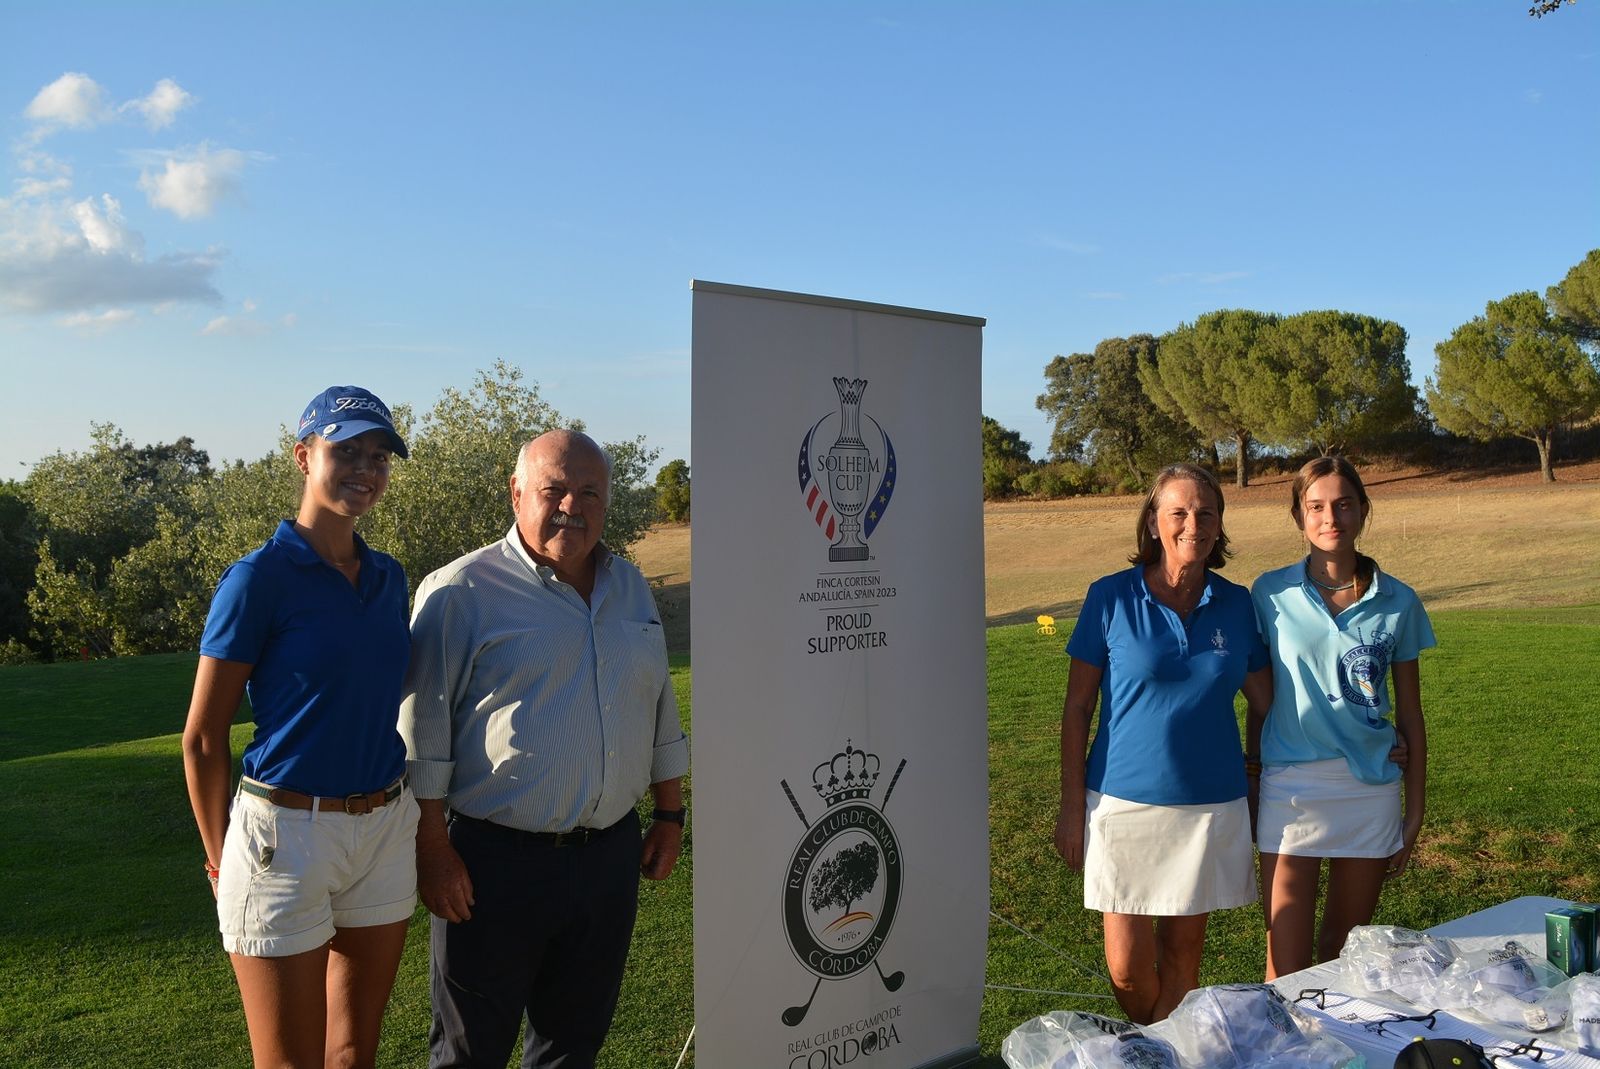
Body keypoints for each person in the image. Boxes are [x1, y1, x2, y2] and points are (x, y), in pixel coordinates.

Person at [399, 428, 689, 1069]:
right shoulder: (458, 593)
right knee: (470, 1051)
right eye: (554, 489)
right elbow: (421, 736)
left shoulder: (631, 587)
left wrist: (669, 814)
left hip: (609, 858)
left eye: (589, 492)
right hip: (492, 864)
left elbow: (658, 704)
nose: (571, 506)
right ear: (517, 493)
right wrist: (432, 847)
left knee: (572, 1047)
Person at [182, 386, 417, 1069]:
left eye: (379, 456)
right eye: (346, 450)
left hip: (381, 828)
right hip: (282, 838)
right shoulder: (257, 579)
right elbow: (202, 736)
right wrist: (219, 855)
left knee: (354, 1054)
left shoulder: (388, 577)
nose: (366, 469)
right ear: (303, 455)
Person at [1053, 463, 1272, 1024]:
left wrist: (1255, 774)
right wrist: (1072, 804)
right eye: (1178, 512)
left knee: (1182, 960)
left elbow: (1267, 702)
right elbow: (1078, 708)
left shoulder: (1236, 603)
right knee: (1126, 969)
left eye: (1205, 513)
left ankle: (1165, 1057)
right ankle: (1160, 1042)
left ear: (1219, 525)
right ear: (1153, 523)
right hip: (1122, 802)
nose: (1192, 524)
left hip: (1208, 805)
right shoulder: (1109, 597)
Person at [1251, 455, 1433, 979]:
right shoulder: (1269, 594)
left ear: (1362, 511)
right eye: (1316, 507)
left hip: (1371, 788)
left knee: (1340, 957)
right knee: (1285, 968)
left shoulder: (1399, 600)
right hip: (1290, 787)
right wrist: (1250, 771)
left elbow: (1412, 715)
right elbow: (1253, 693)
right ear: (1299, 517)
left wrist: (1414, 808)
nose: (1330, 517)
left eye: (1343, 504)